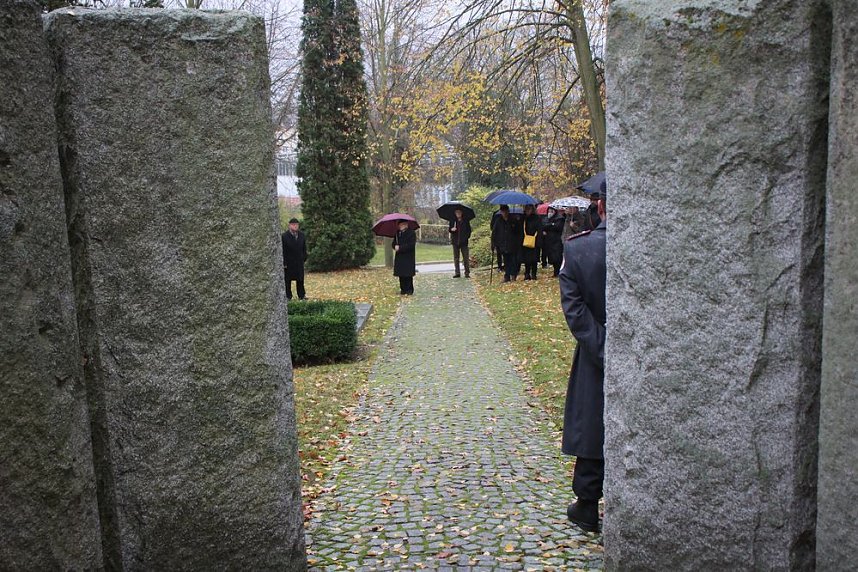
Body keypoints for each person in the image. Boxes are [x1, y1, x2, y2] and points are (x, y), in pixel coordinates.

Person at [559, 195, 607, 533]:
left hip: (596, 347)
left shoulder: (578, 249)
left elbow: (575, 311)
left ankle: (588, 502)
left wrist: (603, 348)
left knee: (593, 418)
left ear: (600, 207)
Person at [491, 205, 521, 282]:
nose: (504, 213)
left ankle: (513, 275)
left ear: (508, 211)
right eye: (503, 212)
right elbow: (494, 232)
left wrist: (514, 226)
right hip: (503, 244)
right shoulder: (498, 221)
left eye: (505, 211)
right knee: (506, 260)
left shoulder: (513, 220)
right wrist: (493, 244)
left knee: (513, 260)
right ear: (501, 212)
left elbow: (518, 231)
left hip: (512, 243)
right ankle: (507, 275)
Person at [282, 217, 307, 300]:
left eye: (296, 224)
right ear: (289, 225)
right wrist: (284, 262)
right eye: (293, 224)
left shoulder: (302, 235)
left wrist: (304, 257)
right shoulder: (284, 236)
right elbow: (283, 250)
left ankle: (301, 295)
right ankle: (288, 296)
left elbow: (304, 248)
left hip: (299, 261)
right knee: (287, 280)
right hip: (289, 262)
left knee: (300, 279)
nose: (295, 226)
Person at [393, 220, 416, 295]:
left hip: (408, 257)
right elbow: (394, 243)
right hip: (399, 257)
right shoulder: (397, 233)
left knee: (408, 275)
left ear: (405, 225)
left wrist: (400, 248)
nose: (400, 227)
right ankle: (403, 289)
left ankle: (409, 290)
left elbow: (411, 245)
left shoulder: (411, 233)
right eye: (399, 225)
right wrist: (395, 246)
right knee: (401, 274)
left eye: (401, 225)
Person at [520, 203, 542, 280]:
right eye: (526, 209)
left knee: (534, 259)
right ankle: (527, 273)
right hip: (525, 241)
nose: (528, 211)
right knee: (526, 259)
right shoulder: (523, 218)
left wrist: (539, 242)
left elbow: (539, 230)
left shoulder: (537, 218)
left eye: (529, 209)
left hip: (535, 240)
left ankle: (534, 274)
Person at [541, 207, 565, 277]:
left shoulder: (560, 218)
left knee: (557, 257)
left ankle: (558, 272)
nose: (550, 212)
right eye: (549, 211)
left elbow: (558, 227)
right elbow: (543, 226)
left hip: (557, 240)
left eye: (551, 211)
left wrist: (550, 226)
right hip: (548, 241)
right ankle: (555, 272)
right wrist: (551, 224)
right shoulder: (546, 218)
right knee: (552, 257)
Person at [449, 208, 471, 278]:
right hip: (455, 242)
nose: (458, 214)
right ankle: (457, 273)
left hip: (464, 242)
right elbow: (449, 229)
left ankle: (467, 273)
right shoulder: (452, 221)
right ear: (455, 213)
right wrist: (452, 230)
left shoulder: (466, 221)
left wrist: (466, 238)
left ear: (461, 213)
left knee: (466, 258)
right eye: (457, 212)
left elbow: (469, 231)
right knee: (456, 258)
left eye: (459, 212)